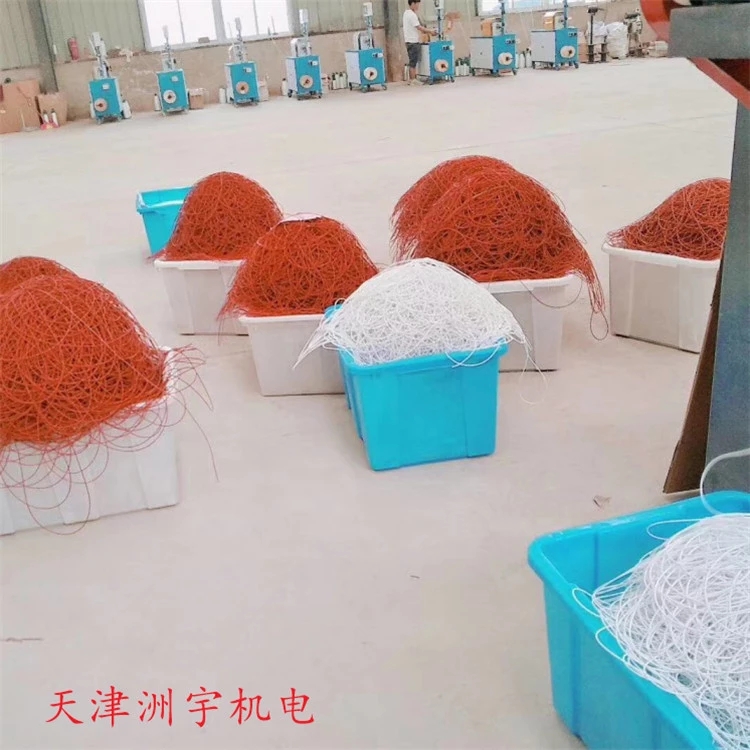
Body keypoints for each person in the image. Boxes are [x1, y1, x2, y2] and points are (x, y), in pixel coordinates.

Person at [403, 0, 436, 85]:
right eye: (417, 4)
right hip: (413, 41)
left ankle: (412, 79)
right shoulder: (412, 15)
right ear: (413, 3)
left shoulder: (406, 13)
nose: (418, 6)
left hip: (408, 41)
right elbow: (419, 27)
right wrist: (430, 31)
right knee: (413, 61)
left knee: (412, 60)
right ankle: (412, 80)